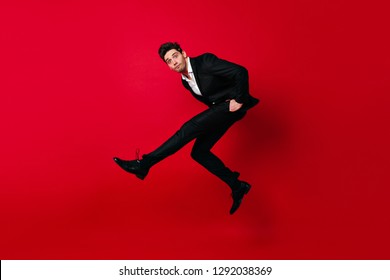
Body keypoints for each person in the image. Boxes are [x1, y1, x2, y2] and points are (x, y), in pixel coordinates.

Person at [113, 42, 259, 215]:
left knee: (189, 128)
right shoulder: (185, 81)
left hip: (230, 106)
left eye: (175, 56)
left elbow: (240, 72)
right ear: (168, 66)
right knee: (199, 153)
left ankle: (144, 163)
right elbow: (210, 97)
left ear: (183, 53)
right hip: (220, 110)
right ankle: (237, 186)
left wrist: (239, 100)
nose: (173, 62)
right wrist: (215, 115)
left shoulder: (205, 62)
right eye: (169, 61)